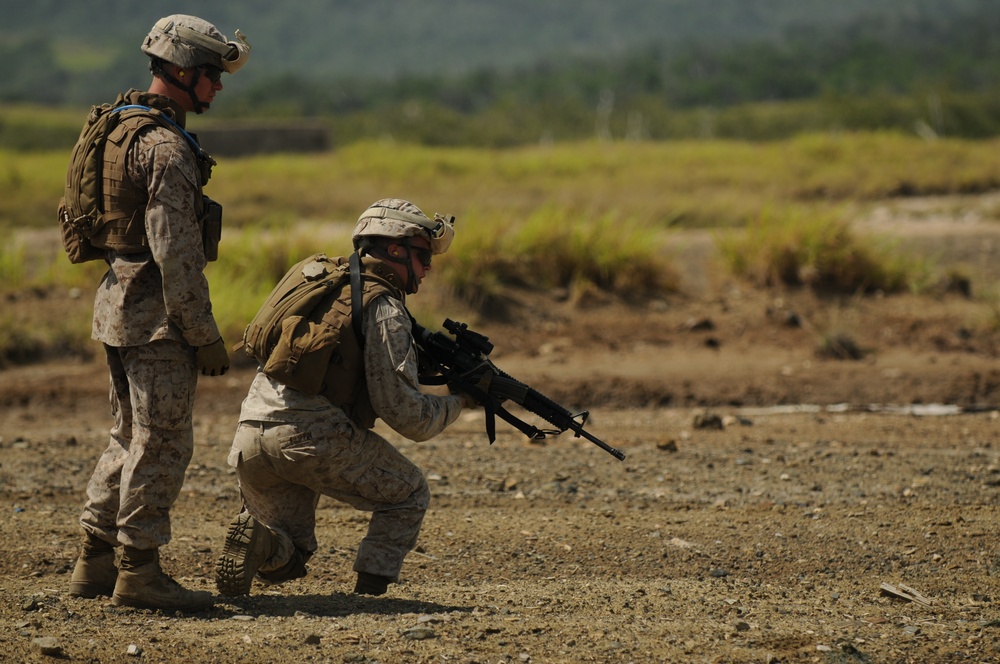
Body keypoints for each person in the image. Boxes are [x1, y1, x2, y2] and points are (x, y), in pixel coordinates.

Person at [67, 15, 251, 612]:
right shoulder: (168, 146)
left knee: (125, 435)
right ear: (180, 70)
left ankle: (93, 560)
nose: (217, 87)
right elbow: (176, 253)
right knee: (163, 442)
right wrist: (203, 335)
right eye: (210, 75)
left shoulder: (119, 127)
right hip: (156, 319)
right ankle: (139, 571)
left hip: (115, 303)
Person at [215, 198, 475, 597]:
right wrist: (458, 402)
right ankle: (370, 593)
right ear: (394, 249)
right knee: (408, 493)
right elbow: (407, 416)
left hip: (251, 434)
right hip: (310, 438)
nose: (427, 269)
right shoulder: (384, 307)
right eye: (423, 256)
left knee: (290, 554)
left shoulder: (317, 279)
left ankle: (260, 542)